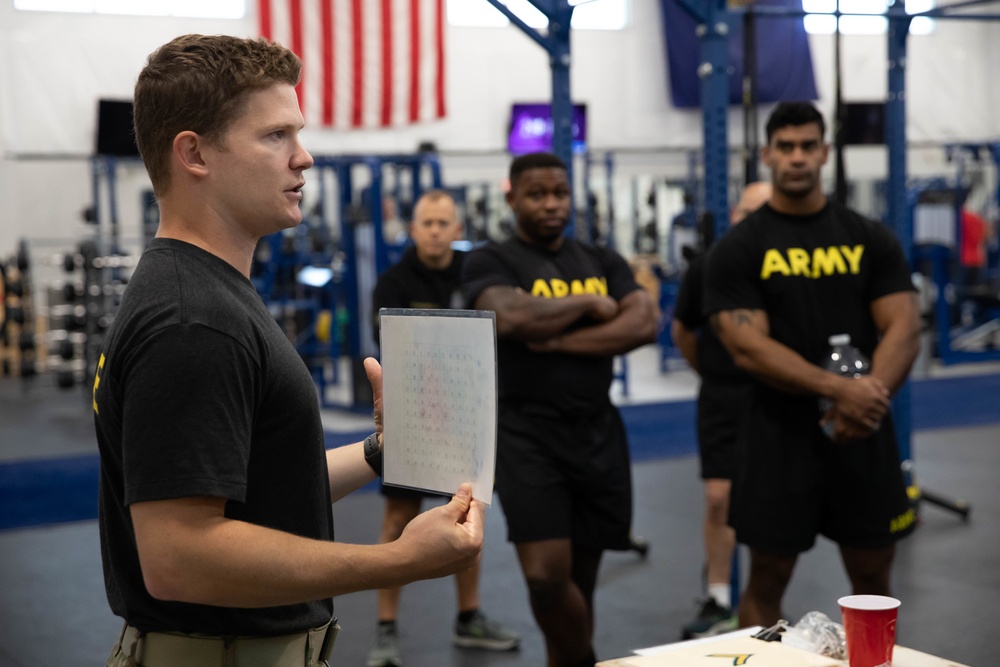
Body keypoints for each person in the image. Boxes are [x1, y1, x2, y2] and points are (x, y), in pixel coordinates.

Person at [92, 34, 484, 667]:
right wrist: (397, 562)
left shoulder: (211, 293)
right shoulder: (194, 320)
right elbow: (178, 559)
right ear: (194, 153)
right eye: (275, 136)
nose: (304, 158)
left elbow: (262, 491)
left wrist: (382, 451)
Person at [703, 101, 922, 628]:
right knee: (767, 580)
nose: (797, 157)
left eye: (807, 146)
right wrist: (839, 389)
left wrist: (865, 401)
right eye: (786, 147)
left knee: (873, 581)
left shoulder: (868, 236)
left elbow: (905, 326)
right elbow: (747, 346)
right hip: (778, 436)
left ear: (825, 152)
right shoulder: (740, 248)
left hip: (863, 432)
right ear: (767, 155)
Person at [461, 152, 658, 667]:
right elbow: (508, 313)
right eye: (537, 194)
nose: (551, 204)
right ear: (512, 199)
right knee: (547, 580)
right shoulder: (490, 260)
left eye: (560, 193)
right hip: (524, 433)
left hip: (596, 431)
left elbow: (642, 324)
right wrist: (591, 305)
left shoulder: (602, 260)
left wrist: (557, 342)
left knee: (581, 583)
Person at [366, 189, 519, 667]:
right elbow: (393, 346)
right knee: (396, 521)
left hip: (465, 420)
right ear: (413, 230)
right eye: (426, 223)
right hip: (412, 420)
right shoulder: (393, 282)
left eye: (442, 223)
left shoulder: (476, 278)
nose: (434, 230)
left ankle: (469, 618)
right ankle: (386, 629)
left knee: (465, 520)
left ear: (458, 230)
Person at [671, 181, 772, 639]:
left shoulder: (781, 269)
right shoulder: (709, 267)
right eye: (746, 212)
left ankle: (763, 599)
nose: (753, 221)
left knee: (772, 499)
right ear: (733, 214)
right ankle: (718, 597)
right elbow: (683, 331)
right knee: (718, 499)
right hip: (721, 397)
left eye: (763, 212)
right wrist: (711, 371)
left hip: (774, 397)